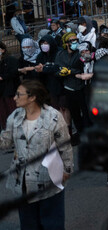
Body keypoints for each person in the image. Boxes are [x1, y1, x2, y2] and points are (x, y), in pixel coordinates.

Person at [0, 80, 73, 230]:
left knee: (52, 223)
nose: (14, 98)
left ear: (32, 97)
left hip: (48, 178)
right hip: (23, 183)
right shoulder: (14, 117)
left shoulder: (53, 116)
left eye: (18, 94)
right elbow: (5, 143)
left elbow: (65, 146)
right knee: (29, 224)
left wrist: (67, 170)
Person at [0, 41, 19, 130]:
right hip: (1, 93)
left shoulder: (11, 60)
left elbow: (14, 73)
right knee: (3, 115)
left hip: (10, 91)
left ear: (3, 50)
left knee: (12, 113)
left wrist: (3, 77)